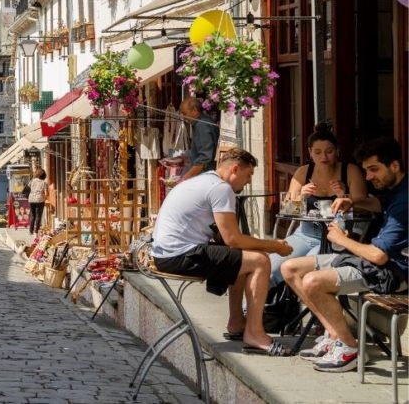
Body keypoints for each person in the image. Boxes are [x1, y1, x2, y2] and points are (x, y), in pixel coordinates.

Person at [281, 137, 407, 372]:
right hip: (370, 262)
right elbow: (378, 205)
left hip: (393, 271)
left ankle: (350, 348)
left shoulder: (404, 201)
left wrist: (341, 240)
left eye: (373, 170)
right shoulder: (395, 188)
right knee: (290, 268)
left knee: (313, 281)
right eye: (366, 171)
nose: (368, 177)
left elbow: (379, 256)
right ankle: (335, 334)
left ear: (395, 166)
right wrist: (352, 201)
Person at [152, 148, 293, 355]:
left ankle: (237, 323)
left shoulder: (203, 181)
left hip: (166, 253)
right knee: (260, 261)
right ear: (235, 169)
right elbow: (233, 239)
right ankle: (254, 333)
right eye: (248, 176)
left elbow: (229, 241)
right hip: (180, 255)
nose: (247, 183)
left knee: (241, 258)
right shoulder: (221, 189)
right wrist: (275, 246)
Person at [269, 124, 368, 284]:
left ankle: (306, 307)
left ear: (337, 151)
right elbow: (287, 211)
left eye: (329, 151)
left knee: (307, 271)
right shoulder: (303, 172)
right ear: (309, 152)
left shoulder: (350, 171)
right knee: (270, 268)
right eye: (317, 152)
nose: (324, 157)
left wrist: (345, 196)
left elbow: (364, 208)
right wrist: (301, 197)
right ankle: (255, 308)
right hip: (306, 234)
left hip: (337, 237)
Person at [178, 96, 220, 182]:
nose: (184, 117)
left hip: (206, 176)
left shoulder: (202, 125)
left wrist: (185, 178)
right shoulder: (199, 124)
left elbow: (205, 158)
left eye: (185, 114)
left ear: (194, 110)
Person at [27, 169, 50, 235]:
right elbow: (46, 193)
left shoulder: (32, 181)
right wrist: (45, 198)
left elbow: (28, 188)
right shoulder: (44, 183)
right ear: (43, 175)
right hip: (39, 199)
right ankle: (36, 231)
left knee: (33, 215)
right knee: (38, 216)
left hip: (31, 199)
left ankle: (30, 230)